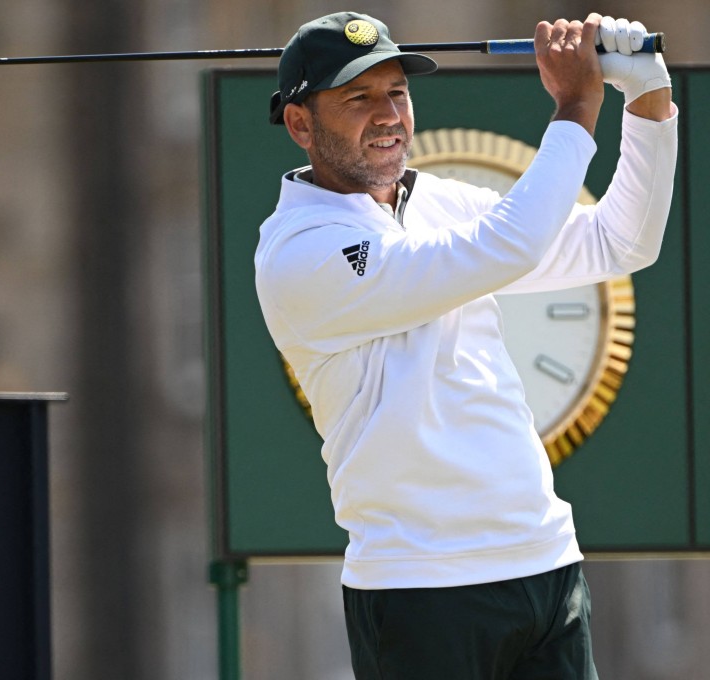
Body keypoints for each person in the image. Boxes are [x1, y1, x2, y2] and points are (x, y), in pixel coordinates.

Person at [255, 10, 676, 680]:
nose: (387, 114)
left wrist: (649, 99)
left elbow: (622, 242)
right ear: (301, 124)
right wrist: (575, 105)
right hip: (420, 585)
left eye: (396, 92)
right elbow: (505, 244)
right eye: (356, 98)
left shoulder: (441, 202)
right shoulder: (298, 252)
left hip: (544, 563)